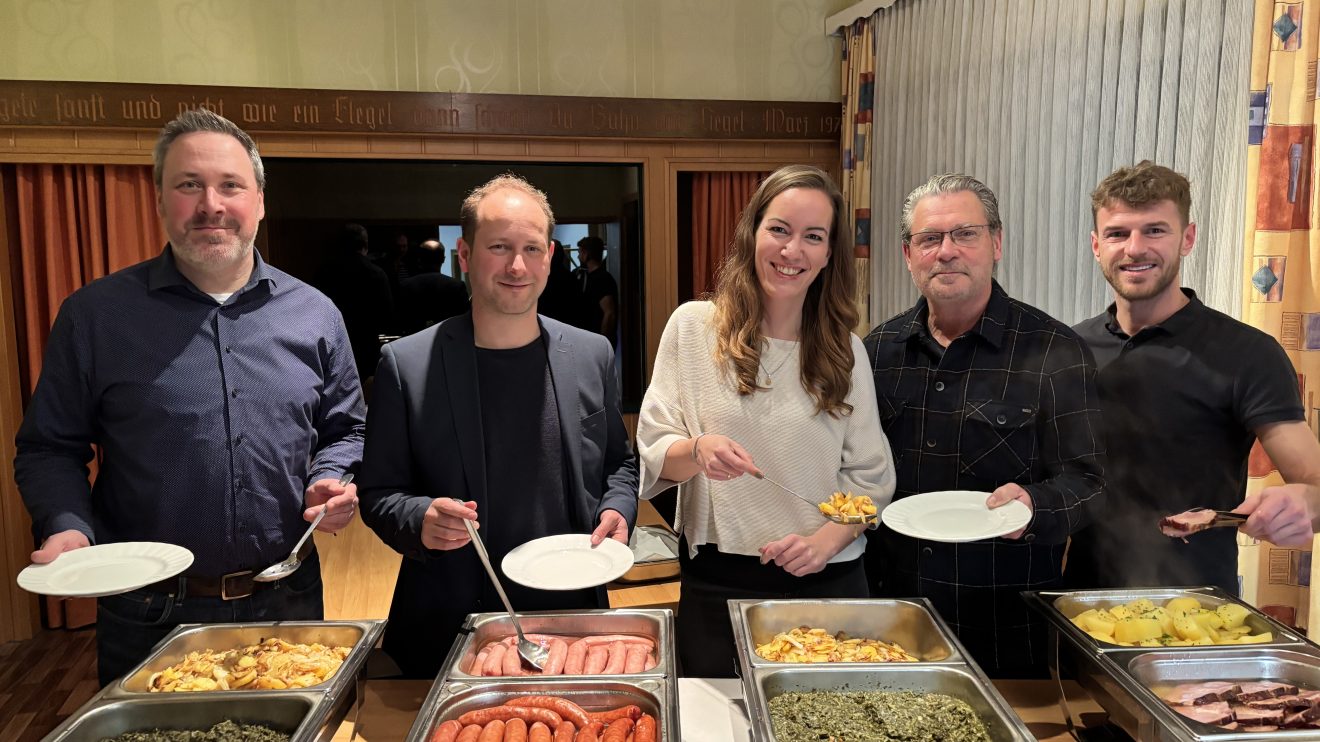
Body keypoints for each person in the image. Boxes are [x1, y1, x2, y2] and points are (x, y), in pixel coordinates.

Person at [14, 109, 365, 687]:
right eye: (188, 185)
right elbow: (49, 446)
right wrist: (68, 524)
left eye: (230, 185)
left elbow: (345, 427)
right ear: (159, 200)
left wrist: (328, 477)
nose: (211, 204)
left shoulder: (314, 313)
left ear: (258, 201)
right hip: (148, 609)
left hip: (289, 598)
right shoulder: (97, 316)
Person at [358, 174, 639, 679]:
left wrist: (619, 507)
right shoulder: (406, 364)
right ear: (464, 255)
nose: (516, 265)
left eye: (531, 248)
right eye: (499, 247)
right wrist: (420, 517)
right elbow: (378, 492)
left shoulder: (591, 354)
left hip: (572, 613)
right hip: (451, 620)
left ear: (551, 256)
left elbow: (619, 463)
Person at [637, 165, 895, 678]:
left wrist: (825, 543)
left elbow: (871, 477)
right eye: (779, 229)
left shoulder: (846, 351)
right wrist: (699, 449)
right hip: (718, 579)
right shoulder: (693, 328)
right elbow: (652, 449)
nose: (791, 250)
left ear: (828, 254)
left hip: (828, 578)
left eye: (813, 237)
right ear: (751, 232)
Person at [863, 173, 1105, 678]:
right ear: (909, 254)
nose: (946, 251)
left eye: (964, 234)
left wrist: (1036, 505)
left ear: (996, 243)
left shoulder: (1054, 351)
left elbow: (1090, 483)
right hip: (892, 616)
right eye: (930, 239)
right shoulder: (877, 352)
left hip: (1005, 625)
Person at [1069, 161, 1320, 593]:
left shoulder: (1247, 353)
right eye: (1117, 233)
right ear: (1096, 245)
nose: (1134, 248)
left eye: (1154, 230)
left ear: (1188, 238)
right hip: (1079, 602)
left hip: (1198, 607)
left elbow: (1315, 485)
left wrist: (1305, 503)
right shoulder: (1070, 350)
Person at [313, 223, 394, 379]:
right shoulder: (376, 274)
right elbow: (387, 316)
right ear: (365, 245)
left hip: (332, 343)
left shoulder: (326, 272)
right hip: (367, 344)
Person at [396, 238, 469, 335]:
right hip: (449, 341)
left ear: (419, 259)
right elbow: (465, 322)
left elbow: (400, 321)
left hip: (414, 342)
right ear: (443, 259)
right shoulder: (457, 286)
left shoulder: (406, 286)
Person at [574, 235, 619, 345]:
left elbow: (609, 313)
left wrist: (602, 343)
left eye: (580, 253)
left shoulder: (602, 279)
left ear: (586, 254)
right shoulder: (586, 276)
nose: (578, 257)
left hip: (597, 341)